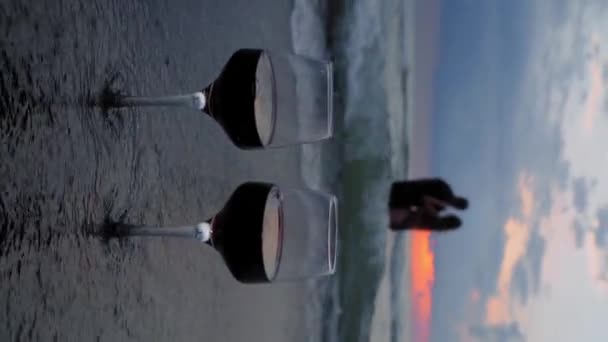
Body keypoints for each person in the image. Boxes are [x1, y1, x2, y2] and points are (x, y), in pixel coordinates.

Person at [388, 178, 468, 231]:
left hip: (400, 190)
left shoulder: (444, 185)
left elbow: (423, 186)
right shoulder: (441, 206)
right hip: (402, 202)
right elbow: (424, 200)